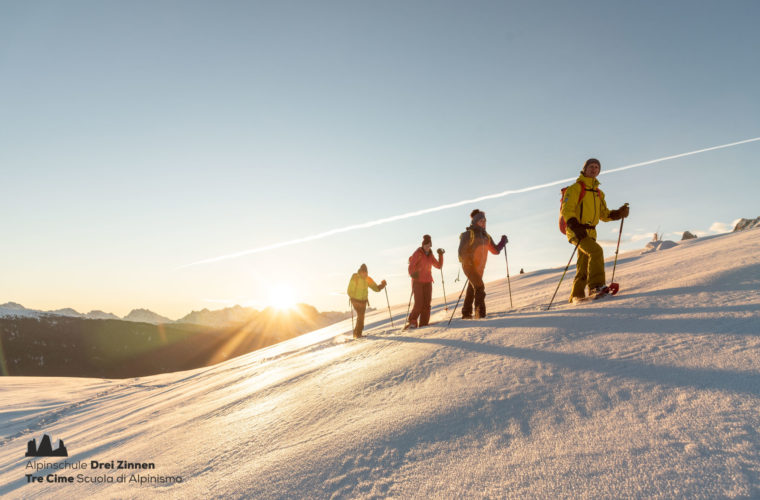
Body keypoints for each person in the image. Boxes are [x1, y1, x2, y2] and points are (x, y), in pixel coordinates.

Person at [561, 158, 629, 301]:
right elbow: (567, 210)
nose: (594, 169)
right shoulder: (576, 188)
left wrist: (618, 213)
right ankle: (596, 286)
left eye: (597, 167)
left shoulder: (599, 193)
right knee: (596, 251)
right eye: (591, 166)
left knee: (583, 265)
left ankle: (576, 296)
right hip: (576, 230)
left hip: (590, 232)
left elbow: (603, 214)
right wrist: (574, 226)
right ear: (584, 169)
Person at [458, 209, 507, 319]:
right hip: (469, 266)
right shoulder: (468, 234)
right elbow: (461, 251)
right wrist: (469, 262)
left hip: (480, 268)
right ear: (475, 222)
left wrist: (503, 242)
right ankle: (480, 315)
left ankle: (466, 313)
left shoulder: (486, 236)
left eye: (485, 221)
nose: (484, 223)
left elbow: (495, 250)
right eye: (481, 221)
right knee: (480, 287)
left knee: (472, 288)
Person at [406, 234, 444, 329]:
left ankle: (424, 324)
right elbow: (411, 265)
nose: (427, 247)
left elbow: (439, 266)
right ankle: (412, 321)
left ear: (431, 245)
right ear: (423, 245)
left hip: (428, 282)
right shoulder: (418, 253)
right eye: (425, 245)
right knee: (419, 303)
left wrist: (440, 255)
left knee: (427, 304)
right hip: (417, 281)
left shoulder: (430, 255)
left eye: (429, 245)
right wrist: (413, 273)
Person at [347, 264, 387, 338]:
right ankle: (358, 334)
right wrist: (352, 297)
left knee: (361, 317)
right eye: (363, 272)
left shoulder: (367, 279)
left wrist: (382, 285)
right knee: (361, 316)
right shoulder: (355, 277)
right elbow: (349, 289)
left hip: (363, 301)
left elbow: (375, 288)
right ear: (360, 271)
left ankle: (356, 334)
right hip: (355, 300)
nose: (365, 274)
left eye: (366, 272)